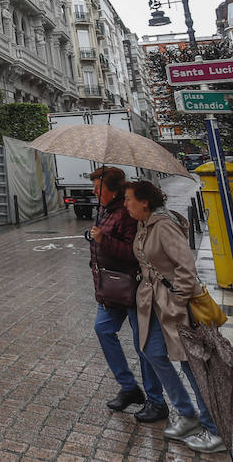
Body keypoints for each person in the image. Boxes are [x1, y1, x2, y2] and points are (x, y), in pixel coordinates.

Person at [126, 180, 226, 454]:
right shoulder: (144, 225)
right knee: (152, 352)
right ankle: (187, 414)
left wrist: (178, 298)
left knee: (190, 364)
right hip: (153, 304)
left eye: (129, 199)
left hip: (173, 306)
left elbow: (185, 265)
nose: (126, 204)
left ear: (144, 202)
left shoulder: (164, 225)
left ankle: (214, 430)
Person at [85, 166, 164, 420]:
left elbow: (134, 252)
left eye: (99, 188)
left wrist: (102, 241)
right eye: (94, 188)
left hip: (131, 287)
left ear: (114, 189)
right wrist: (95, 236)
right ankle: (129, 388)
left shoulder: (127, 213)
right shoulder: (104, 209)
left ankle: (156, 400)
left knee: (144, 344)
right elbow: (103, 238)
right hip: (109, 287)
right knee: (103, 329)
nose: (95, 192)